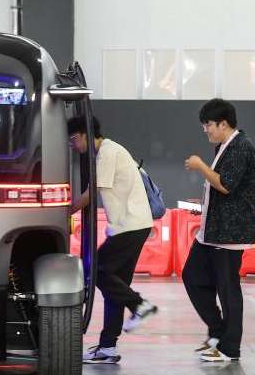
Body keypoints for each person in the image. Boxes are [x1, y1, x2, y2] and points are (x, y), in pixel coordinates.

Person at [67, 115, 158, 365]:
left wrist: (65, 211)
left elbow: (92, 193)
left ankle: (139, 305)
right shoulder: (110, 150)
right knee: (115, 287)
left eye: (73, 139)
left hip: (129, 226)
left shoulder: (107, 152)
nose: (72, 145)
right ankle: (108, 347)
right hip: (133, 225)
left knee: (96, 271)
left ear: (85, 134)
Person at [182, 98, 255, 363]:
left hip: (229, 234)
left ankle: (230, 348)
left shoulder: (241, 147)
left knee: (228, 289)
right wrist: (203, 204)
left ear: (223, 124)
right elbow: (221, 189)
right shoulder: (224, 147)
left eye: (208, 125)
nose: (205, 130)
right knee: (192, 276)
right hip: (212, 230)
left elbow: (226, 184)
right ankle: (217, 331)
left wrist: (200, 165)